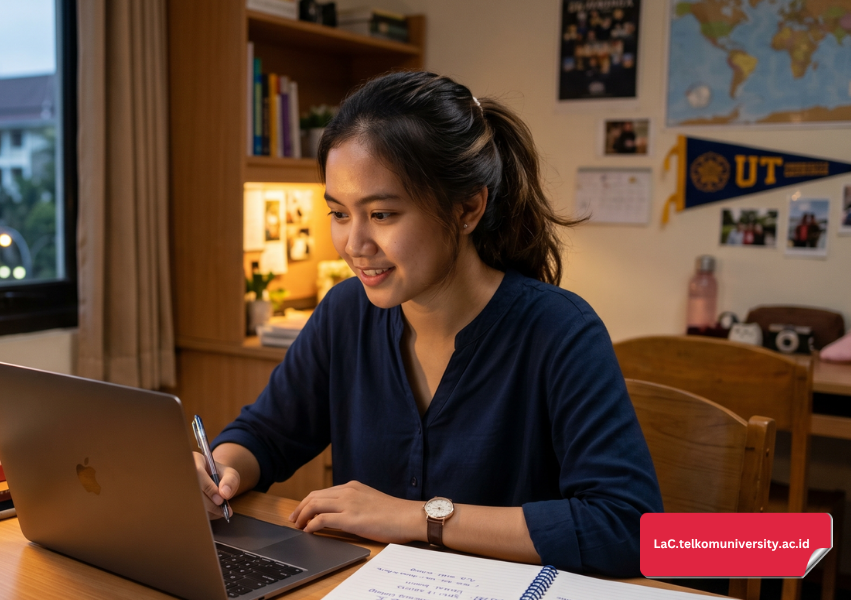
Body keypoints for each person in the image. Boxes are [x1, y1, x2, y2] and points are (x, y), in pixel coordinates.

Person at [193, 71, 661, 578]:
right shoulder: (346, 312)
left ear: (467, 209)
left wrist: (420, 519)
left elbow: (627, 528)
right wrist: (220, 471)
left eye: (383, 214)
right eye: (339, 213)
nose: (354, 244)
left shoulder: (560, 332)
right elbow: (267, 433)